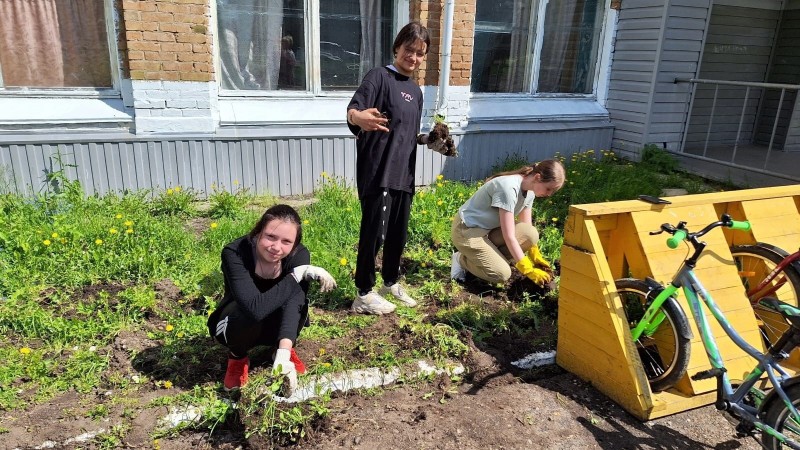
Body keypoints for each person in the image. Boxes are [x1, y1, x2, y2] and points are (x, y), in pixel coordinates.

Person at [345, 21, 432, 315]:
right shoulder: (378, 77)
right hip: (378, 171)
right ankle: (363, 293)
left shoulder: (417, 92)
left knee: (397, 232)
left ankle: (390, 281)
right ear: (397, 48)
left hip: (403, 173)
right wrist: (359, 119)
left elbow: (409, 132)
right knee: (375, 233)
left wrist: (431, 140)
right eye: (409, 50)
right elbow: (352, 111)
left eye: (420, 53)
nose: (414, 58)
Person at [207, 204, 337, 392]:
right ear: (258, 232)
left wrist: (283, 355)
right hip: (238, 324)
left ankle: (281, 349)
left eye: (286, 241)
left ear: (294, 244)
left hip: (276, 324)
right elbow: (254, 308)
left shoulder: (298, 255)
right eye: (270, 237)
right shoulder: (235, 253)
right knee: (246, 312)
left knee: (297, 299)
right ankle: (237, 357)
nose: (276, 247)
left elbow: (294, 302)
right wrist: (296, 275)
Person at [450, 160, 566, 286]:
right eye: (548, 189)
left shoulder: (530, 192)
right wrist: (527, 269)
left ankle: (484, 258)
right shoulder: (508, 188)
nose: (549, 194)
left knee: (530, 234)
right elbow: (509, 237)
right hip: (467, 231)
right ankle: (461, 259)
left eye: (552, 192)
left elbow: (526, 225)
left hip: (488, 230)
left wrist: (534, 254)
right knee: (501, 274)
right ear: (537, 177)